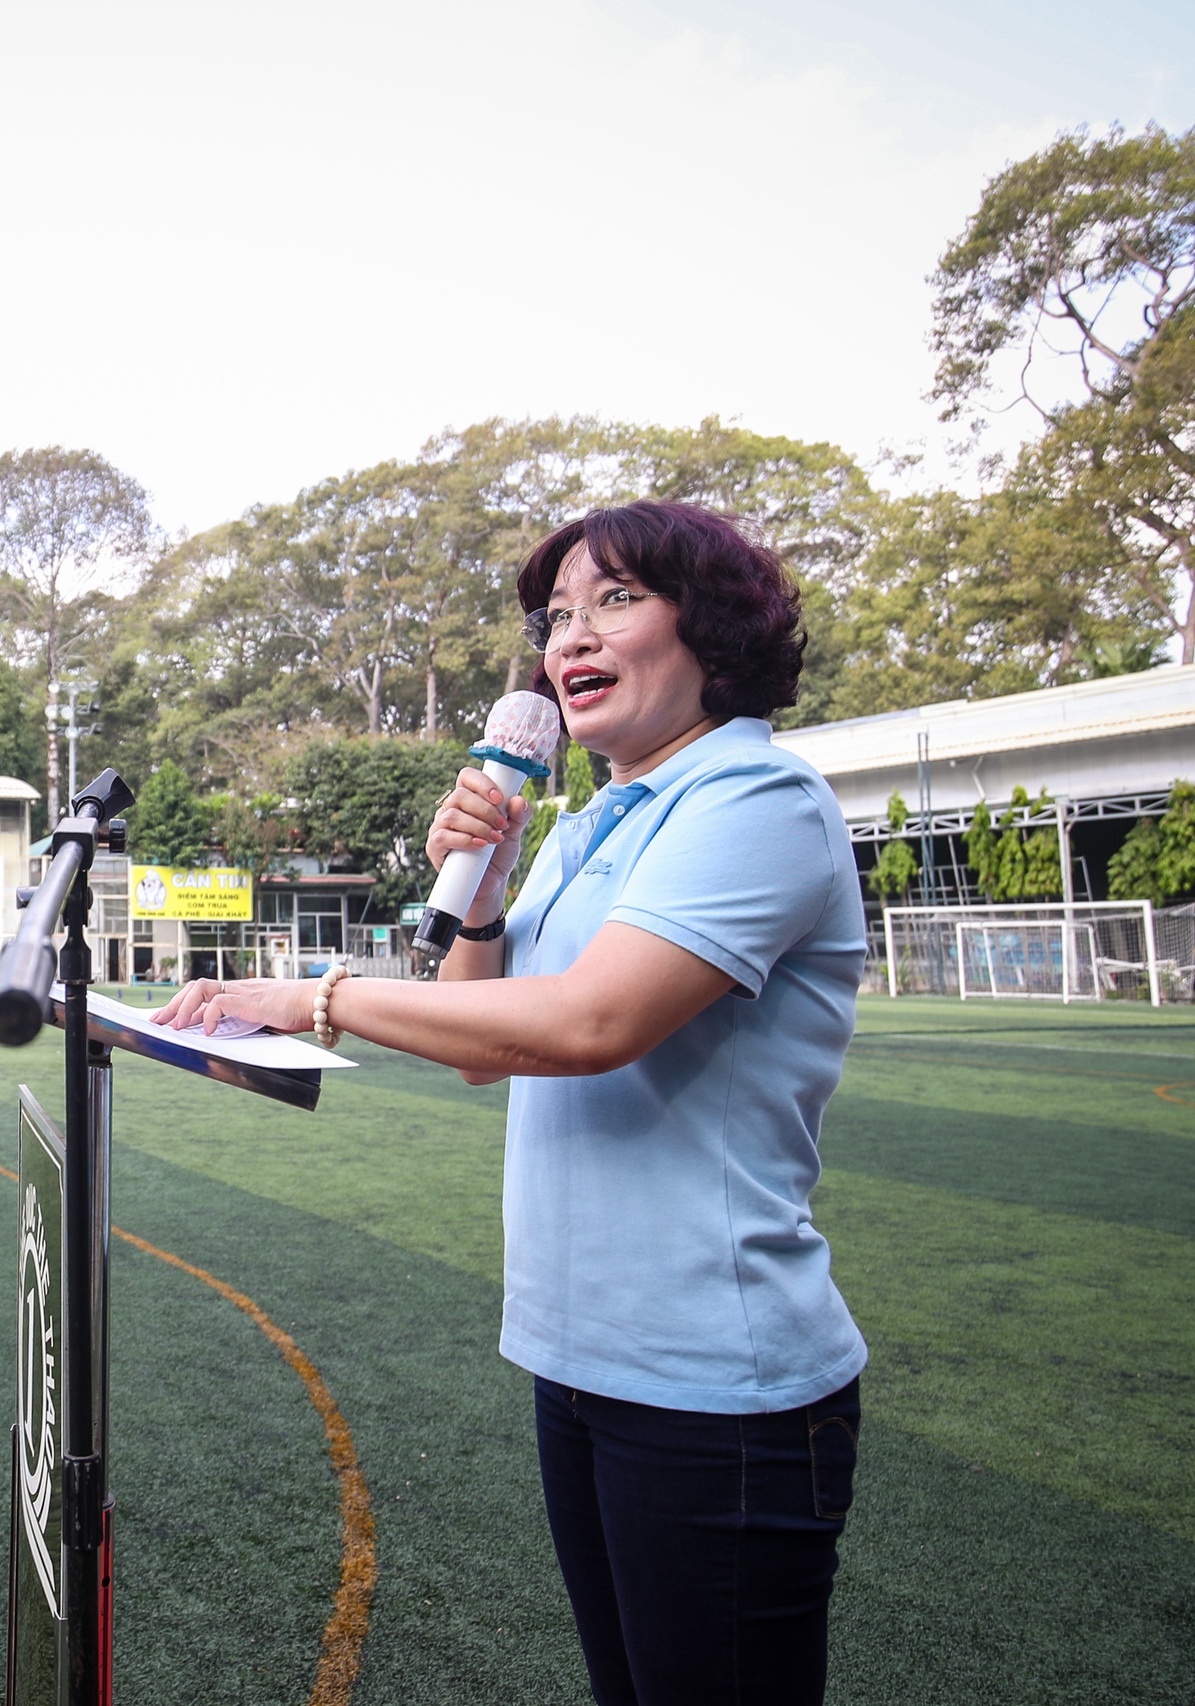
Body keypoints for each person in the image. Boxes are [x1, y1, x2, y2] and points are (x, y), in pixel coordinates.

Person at [152, 502, 867, 1706]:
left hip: (714, 1381)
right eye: (555, 616)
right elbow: (488, 1041)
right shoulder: (592, 818)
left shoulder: (755, 799)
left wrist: (311, 993)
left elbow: (589, 1023)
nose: (569, 637)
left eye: (616, 599)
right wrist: (481, 883)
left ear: (716, 625)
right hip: (579, 1355)